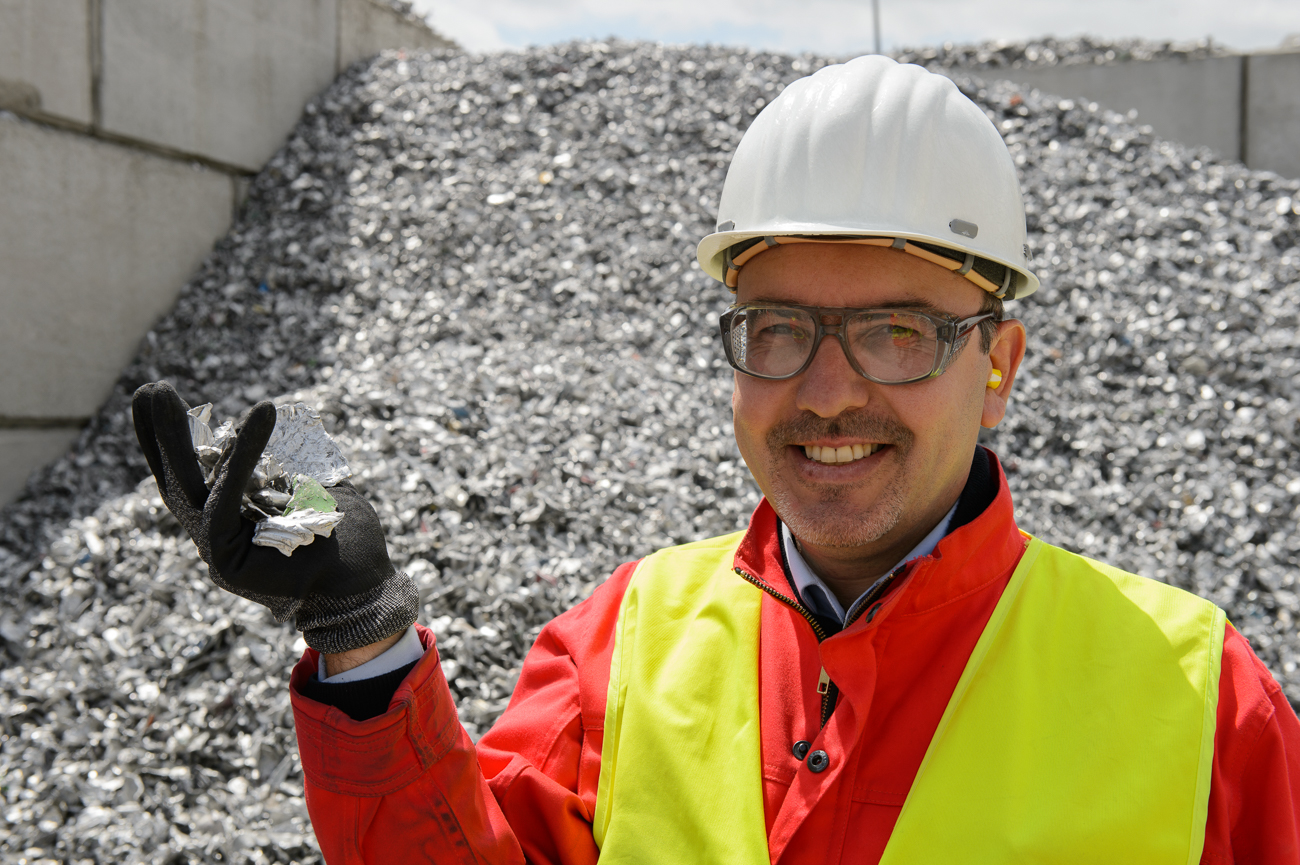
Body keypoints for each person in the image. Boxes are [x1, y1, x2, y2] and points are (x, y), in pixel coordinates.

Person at [132, 56, 1300, 863]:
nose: (829, 390)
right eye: (779, 328)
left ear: (997, 366)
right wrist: (362, 638)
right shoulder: (619, 646)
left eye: (898, 331)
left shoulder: (1198, 699)